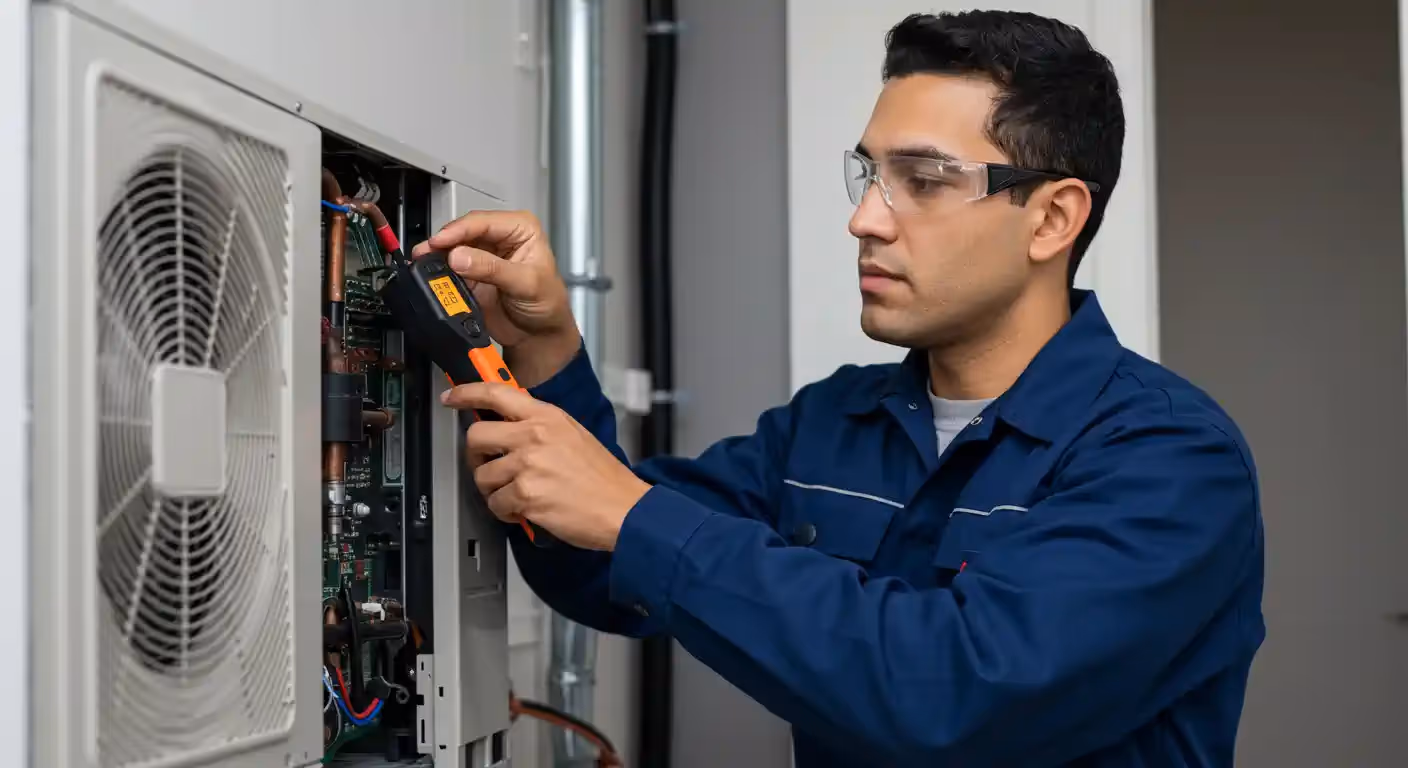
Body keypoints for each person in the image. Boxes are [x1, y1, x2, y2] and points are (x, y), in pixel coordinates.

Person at [416, 10, 1265, 767]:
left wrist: (637, 517)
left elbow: (956, 702)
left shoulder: (1168, 460)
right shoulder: (832, 422)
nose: (865, 219)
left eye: (925, 181)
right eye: (869, 175)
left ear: (1051, 218)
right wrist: (546, 352)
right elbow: (598, 565)